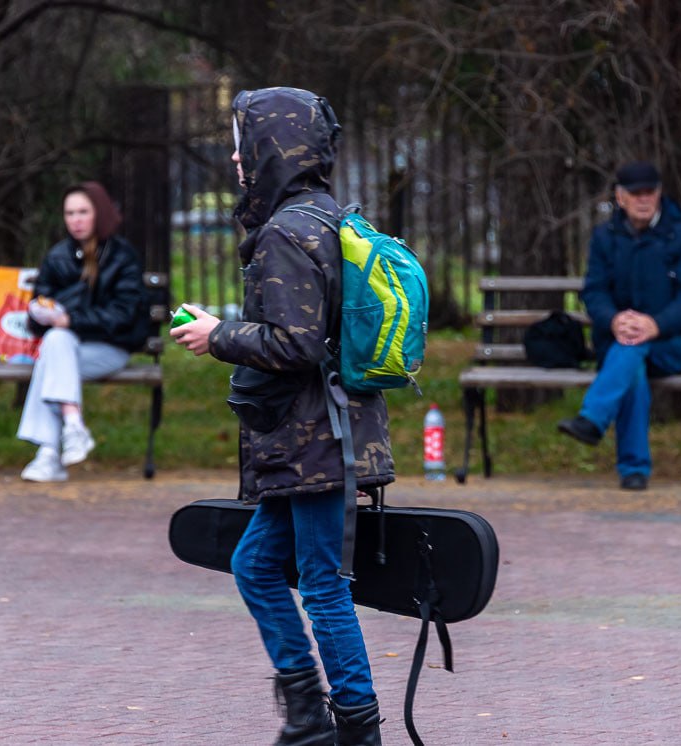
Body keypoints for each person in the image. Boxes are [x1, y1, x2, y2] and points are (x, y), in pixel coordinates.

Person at [172, 87, 393, 746]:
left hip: (316, 439)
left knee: (322, 586)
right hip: (316, 438)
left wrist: (217, 335)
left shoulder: (288, 232)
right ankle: (306, 717)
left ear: (275, 148)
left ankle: (356, 726)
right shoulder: (326, 217)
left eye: (244, 145)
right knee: (256, 566)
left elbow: (295, 344)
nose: (237, 159)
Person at [556, 160, 681, 491]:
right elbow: (594, 291)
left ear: (659, 194)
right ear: (620, 197)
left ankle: (594, 419)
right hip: (619, 343)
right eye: (636, 193)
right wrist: (614, 320)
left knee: (631, 348)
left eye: (650, 192)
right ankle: (634, 471)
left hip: (672, 345)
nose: (644, 199)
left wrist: (656, 324)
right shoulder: (605, 237)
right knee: (632, 364)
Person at [16, 182, 145, 482]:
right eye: (70, 213)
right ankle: (73, 426)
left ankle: (48, 453)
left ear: (99, 213)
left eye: (83, 212)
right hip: (63, 348)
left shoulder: (122, 256)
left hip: (109, 348)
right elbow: (37, 319)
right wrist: (42, 315)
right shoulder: (57, 256)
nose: (75, 220)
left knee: (52, 353)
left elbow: (123, 316)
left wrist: (70, 320)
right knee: (55, 342)